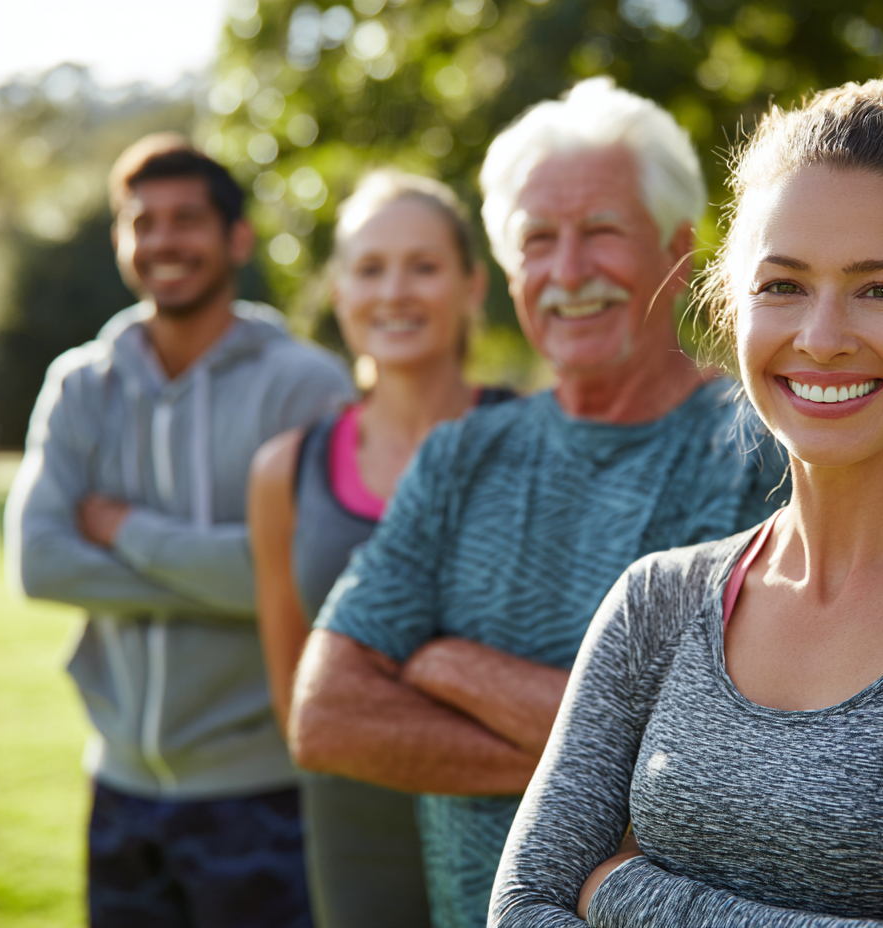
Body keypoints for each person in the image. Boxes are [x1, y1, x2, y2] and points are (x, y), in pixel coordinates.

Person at [490, 80, 883, 928]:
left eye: (880, 290)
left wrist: (619, 888)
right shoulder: (655, 601)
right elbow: (523, 909)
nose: (824, 335)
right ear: (733, 306)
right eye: (783, 286)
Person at [287, 77, 787, 928]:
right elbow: (327, 715)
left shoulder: (760, 451)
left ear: (680, 249)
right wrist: (604, 772)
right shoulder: (461, 454)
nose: (567, 272)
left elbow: (732, 772)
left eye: (601, 232)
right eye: (538, 241)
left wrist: (447, 666)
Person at [5, 134, 354, 927]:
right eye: (142, 221)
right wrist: (240, 573)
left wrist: (127, 530)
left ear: (237, 238)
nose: (163, 241)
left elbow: (311, 582)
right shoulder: (80, 384)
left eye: (186, 220)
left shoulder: (304, 384)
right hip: (120, 792)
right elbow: (41, 562)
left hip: (261, 791)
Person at [248, 169, 513, 928]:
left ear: (471, 287)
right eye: (370, 268)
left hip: (521, 827)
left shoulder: (539, 443)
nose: (394, 292)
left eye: (423, 267)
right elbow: (294, 698)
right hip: (352, 837)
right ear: (339, 293)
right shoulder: (284, 471)